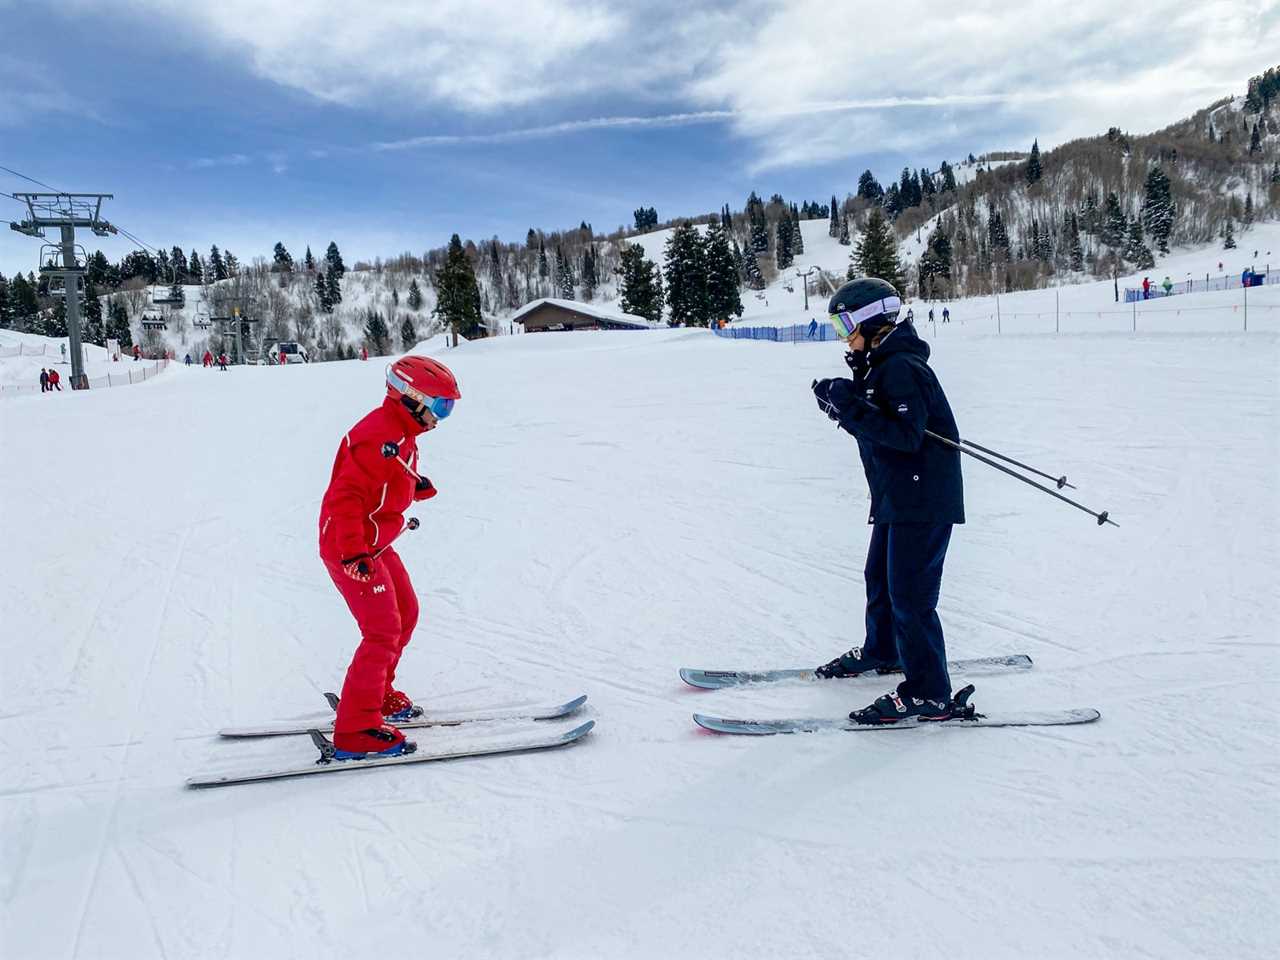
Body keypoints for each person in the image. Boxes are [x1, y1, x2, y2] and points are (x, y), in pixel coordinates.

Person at [811, 277, 965, 723]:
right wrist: (844, 402)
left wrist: (849, 408)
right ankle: (885, 650)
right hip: (898, 495)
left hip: (923, 499)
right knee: (879, 578)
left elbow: (904, 436)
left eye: (844, 327)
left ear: (868, 319)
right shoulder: (880, 364)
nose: (843, 337)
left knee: (911, 597)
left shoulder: (899, 367)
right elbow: (880, 421)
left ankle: (928, 692)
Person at [318, 355, 460, 758]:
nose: (443, 417)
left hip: (376, 539)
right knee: (381, 631)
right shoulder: (378, 437)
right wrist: (353, 554)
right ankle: (355, 729)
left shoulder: (401, 433)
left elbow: (387, 475)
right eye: (441, 407)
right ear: (411, 398)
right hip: (353, 545)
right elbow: (346, 498)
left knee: (406, 613)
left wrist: (413, 486)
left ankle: (377, 695)